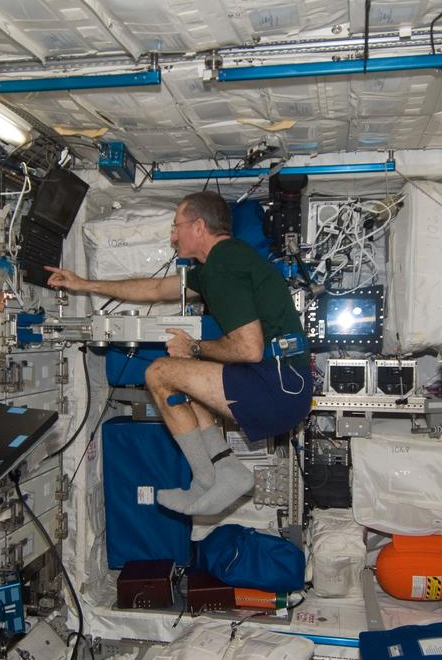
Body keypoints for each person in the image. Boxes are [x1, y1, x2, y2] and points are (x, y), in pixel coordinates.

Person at [45, 191, 311, 516]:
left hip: (276, 386)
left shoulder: (223, 265)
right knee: (183, 375)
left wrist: (194, 346)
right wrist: (85, 285)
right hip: (287, 387)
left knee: (159, 373)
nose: (172, 237)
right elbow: (156, 289)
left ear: (198, 227)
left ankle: (205, 476)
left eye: (176, 227)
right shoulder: (224, 260)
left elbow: (248, 348)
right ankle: (223, 469)